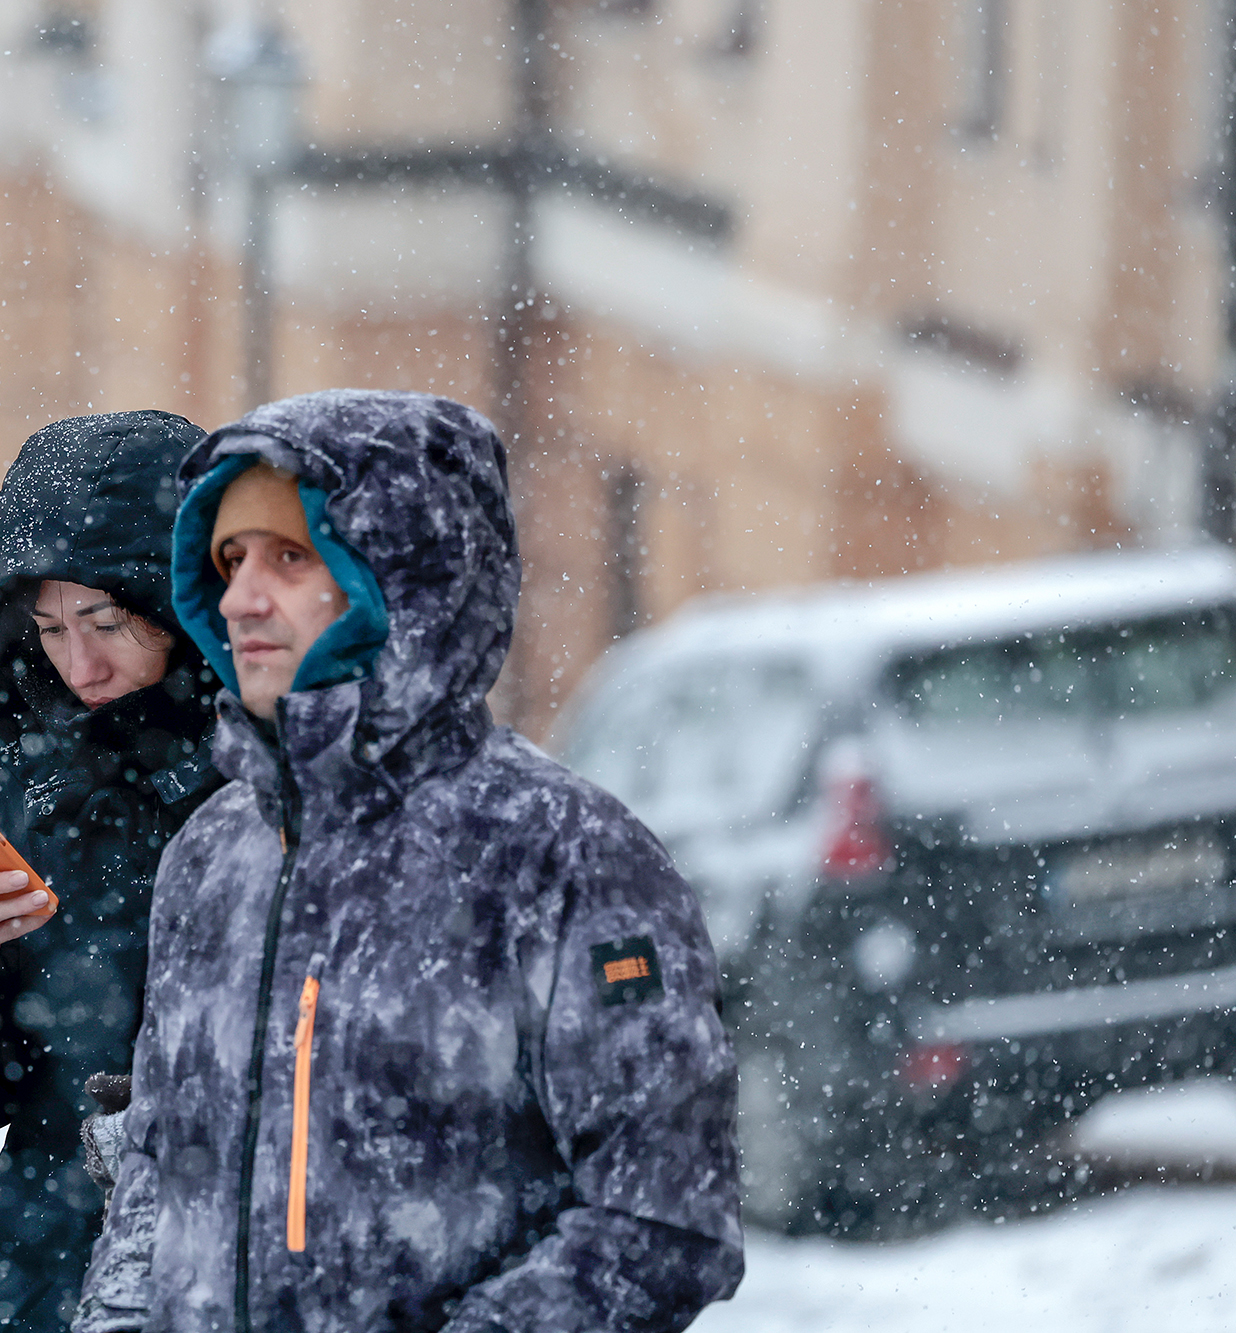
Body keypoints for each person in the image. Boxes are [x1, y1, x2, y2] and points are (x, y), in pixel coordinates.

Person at [75, 391, 743, 1333]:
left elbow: (663, 1217)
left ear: (406, 578)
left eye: (291, 557)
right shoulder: (212, 856)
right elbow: (158, 1166)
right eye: (229, 560)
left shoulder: (560, 856)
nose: (242, 597)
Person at [0, 410, 222, 1333]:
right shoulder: (35, 777)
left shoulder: (270, 779)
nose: (80, 664)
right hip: (40, 1282)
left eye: (106, 621)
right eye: (50, 627)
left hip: (221, 1275)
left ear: (183, 600)